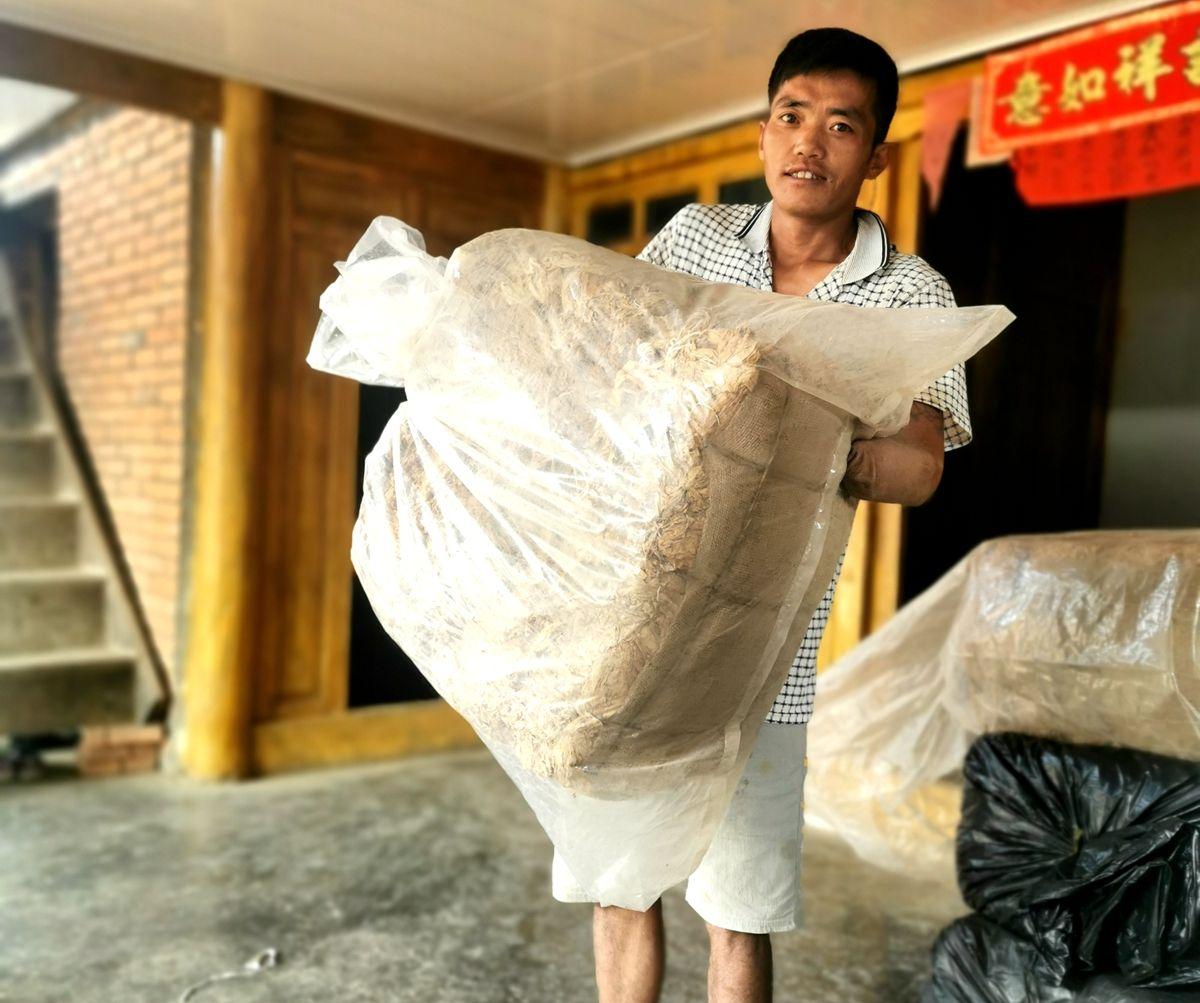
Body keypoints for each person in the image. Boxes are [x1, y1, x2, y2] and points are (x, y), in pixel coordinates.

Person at [550, 26, 972, 1003]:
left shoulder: (909, 293)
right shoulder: (695, 239)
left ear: (874, 155)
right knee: (620, 884)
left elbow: (918, 467)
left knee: (739, 904)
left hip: (769, 651)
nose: (807, 144)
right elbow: (625, 366)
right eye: (790, 116)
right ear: (761, 132)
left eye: (838, 125)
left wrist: (802, 439)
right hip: (638, 624)